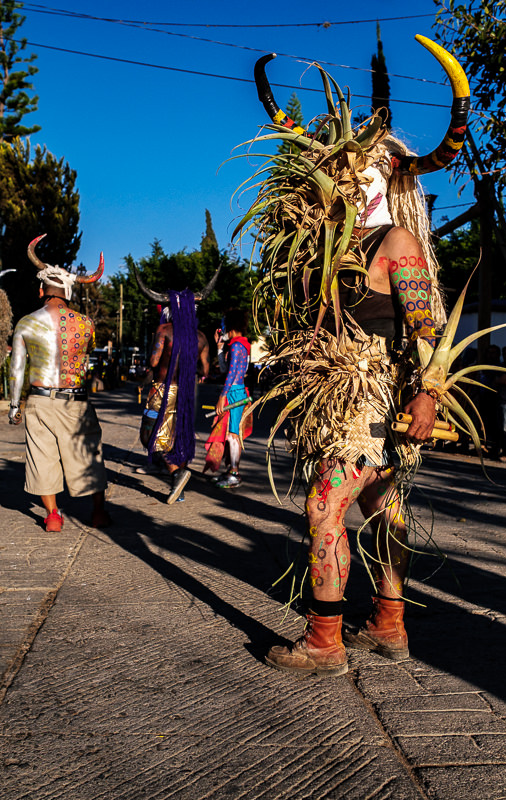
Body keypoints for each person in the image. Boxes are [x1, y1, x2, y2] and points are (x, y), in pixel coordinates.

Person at [240, 39, 471, 677]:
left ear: (389, 173)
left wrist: (428, 392)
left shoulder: (397, 238)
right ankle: (389, 623)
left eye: (363, 166)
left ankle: (324, 642)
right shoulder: (335, 245)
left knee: (325, 506)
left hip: (370, 391)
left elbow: (425, 325)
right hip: (348, 388)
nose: (349, 174)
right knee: (383, 504)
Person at [8, 235, 110, 532]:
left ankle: (53, 516)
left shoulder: (26, 323)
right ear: (68, 293)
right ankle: (99, 513)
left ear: (42, 290)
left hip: (40, 400)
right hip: (75, 401)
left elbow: (17, 368)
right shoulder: (86, 324)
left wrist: (15, 405)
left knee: (42, 457)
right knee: (89, 454)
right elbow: (86, 356)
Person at [133, 264, 219, 504]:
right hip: (187, 394)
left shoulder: (164, 330)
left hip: (161, 390)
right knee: (178, 435)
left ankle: (178, 473)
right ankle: (177, 487)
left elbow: (153, 360)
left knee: (150, 436)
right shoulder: (201, 337)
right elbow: (204, 370)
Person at [204, 309, 253, 488]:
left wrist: (222, 397)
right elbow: (226, 370)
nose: (221, 330)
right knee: (230, 434)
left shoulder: (237, 346)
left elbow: (231, 374)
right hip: (236, 391)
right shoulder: (240, 344)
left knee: (233, 435)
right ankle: (232, 470)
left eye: (223, 326)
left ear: (230, 327)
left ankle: (234, 473)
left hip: (234, 393)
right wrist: (219, 349)